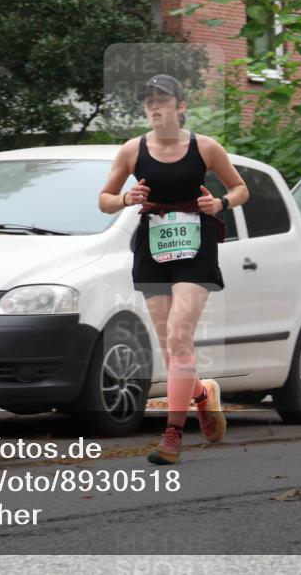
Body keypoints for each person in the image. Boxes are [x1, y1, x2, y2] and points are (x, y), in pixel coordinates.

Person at [98, 74, 249, 464]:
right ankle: (202, 394)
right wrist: (126, 198)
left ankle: (172, 436)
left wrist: (220, 203)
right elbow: (104, 199)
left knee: (181, 337)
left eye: (162, 100)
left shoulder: (205, 147)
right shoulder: (132, 150)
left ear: (181, 107)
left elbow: (240, 189)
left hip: (196, 247)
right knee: (170, 348)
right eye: (148, 101)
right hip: (152, 247)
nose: (154, 107)